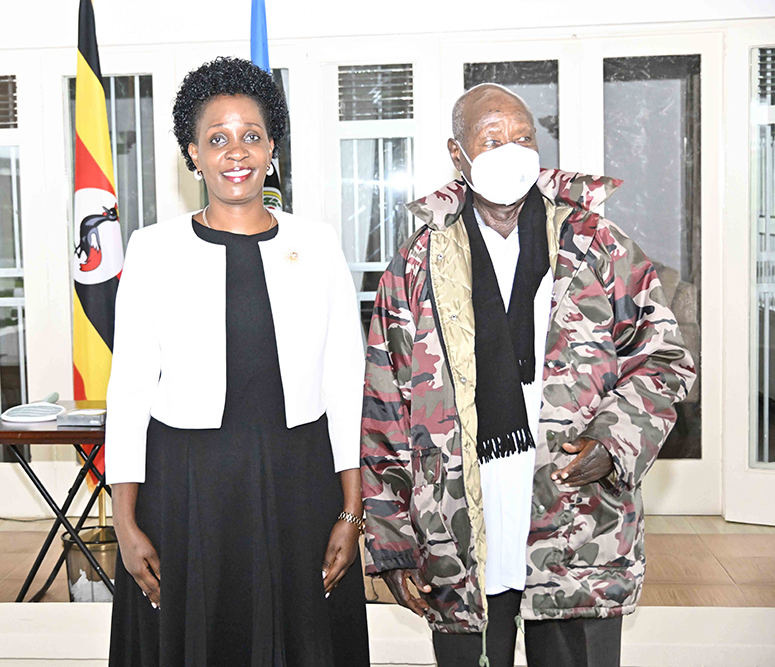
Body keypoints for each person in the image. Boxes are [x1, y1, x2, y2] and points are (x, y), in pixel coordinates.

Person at [360, 83, 696, 667]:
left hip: (577, 525)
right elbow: (385, 404)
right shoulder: (416, 264)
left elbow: (663, 358)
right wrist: (391, 541)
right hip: (456, 535)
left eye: (524, 138)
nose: (512, 152)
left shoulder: (596, 245)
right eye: (492, 141)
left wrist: (612, 442)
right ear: (457, 154)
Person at [104, 56, 371, 667]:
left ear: (272, 148)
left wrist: (351, 511)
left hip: (299, 480)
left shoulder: (317, 243)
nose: (236, 153)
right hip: (188, 487)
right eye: (217, 139)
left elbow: (344, 382)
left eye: (251, 135)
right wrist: (124, 519)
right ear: (193, 154)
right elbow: (130, 391)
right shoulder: (152, 249)